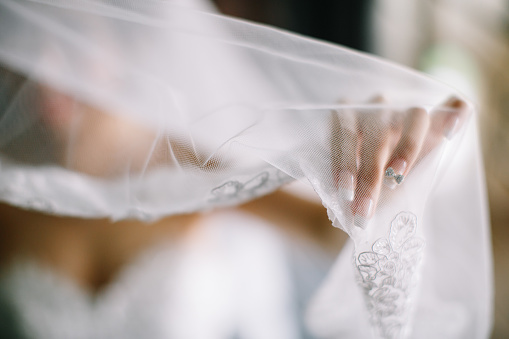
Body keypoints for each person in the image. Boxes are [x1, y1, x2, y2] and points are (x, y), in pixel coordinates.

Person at [0, 0, 492, 338]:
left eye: (74, 43)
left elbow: (335, 229)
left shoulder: (206, 163)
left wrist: (383, 175)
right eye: (32, 42)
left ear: (131, 49)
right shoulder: (15, 190)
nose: (47, 69)